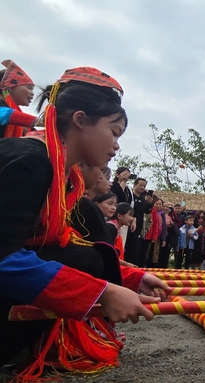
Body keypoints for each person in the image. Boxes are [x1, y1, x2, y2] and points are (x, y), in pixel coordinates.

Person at [0, 66, 169, 372]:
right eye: (114, 132)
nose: (116, 145)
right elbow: (3, 257)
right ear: (80, 120)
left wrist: (131, 278)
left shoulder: (58, 172)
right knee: (83, 259)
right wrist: (101, 292)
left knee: (85, 255)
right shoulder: (30, 162)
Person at [0, 59, 38, 138]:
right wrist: (42, 121)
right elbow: (4, 114)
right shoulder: (8, 112)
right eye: (29, 88)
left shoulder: (25, 124)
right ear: (9, 88)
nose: (32, 93)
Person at [124, 178, 153, 266]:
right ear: (135, 184)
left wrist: (149, 204)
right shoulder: (129, 196)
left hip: (138, 227)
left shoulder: (143, 198)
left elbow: (147, 212)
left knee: (135, 249)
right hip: (126, 225)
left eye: (144, 186)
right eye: (140, 185)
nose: (142, 187)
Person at [141, 198, 166, 268]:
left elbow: (163, 226)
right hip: (148, 234)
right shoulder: (150, 211)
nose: (158, 205)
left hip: (157, 235)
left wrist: (163, 238)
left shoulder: (162, 214)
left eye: (160, 204)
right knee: (146, 252)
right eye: (156, 204)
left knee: (155, 254)